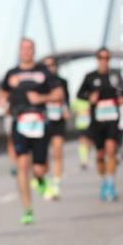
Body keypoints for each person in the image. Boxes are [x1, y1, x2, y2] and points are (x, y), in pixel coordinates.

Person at [0, 38, 63, 225]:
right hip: (19, 122)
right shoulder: (11, 74)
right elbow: (2, 94)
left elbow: (59, 94)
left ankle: (41, 180)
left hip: (40, 122)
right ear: (19, 51)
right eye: (23, 48)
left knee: (39, 169)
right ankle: (27, 209)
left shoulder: (43, 71)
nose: (26, 51)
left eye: (30, 48)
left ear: (34, 51)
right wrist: (2, 102)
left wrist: (41, 97)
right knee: (23, 165)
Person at [76, 48, 123, 201]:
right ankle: (104, 181)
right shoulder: (90, 77)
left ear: (109, 59)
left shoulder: (115, 75)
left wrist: (122, 99)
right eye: (101, 58)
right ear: (97, 59)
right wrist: (89, 97)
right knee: (100, 155)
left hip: (112, 119)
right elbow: (80, 94)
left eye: (106, 57)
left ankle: (111, 184)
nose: (104, 60)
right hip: (97, 121)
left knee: (111, 150)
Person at [41, 56, 70, 200]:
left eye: (52, 65)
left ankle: (56, 184)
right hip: (44, 121)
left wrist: (67, 110)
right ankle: (44, 182)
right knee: (43, 156)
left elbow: (66, 100)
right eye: (46, 65)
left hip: (58, 120)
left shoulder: (63, 82)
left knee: (57, 151)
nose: (49, 68)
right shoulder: (39, 82)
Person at [71, 97, 92, 170]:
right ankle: (83, 161)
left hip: (90, 125)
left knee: (89, 143)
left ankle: (86, 157)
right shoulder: (77, 101)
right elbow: (72, 110)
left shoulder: (90, 99)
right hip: (80, 125)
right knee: (82, 142)